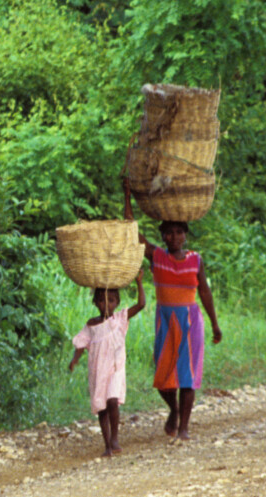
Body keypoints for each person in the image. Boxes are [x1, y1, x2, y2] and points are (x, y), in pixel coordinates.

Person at [125, 185, 222, 439]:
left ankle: (184, 428)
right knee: (163, 376)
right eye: (169, 232)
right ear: (164, 236)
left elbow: (205, 293)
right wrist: (127, 197)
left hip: (191, 321)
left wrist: (215, 324)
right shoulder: (157, 256)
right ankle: (174, 409)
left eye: (179, 232)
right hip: (166, 322)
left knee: (187, 376)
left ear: (185, 236)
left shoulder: (196, 260)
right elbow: (131, 231)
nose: (175, 236)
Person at [68, 268, 146, 456]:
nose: (106, 305)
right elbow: (81, 343)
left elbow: (141, 304)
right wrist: (75, 360)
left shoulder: (120, 319)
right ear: (95, 302)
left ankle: (115, 438)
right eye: (101, 301)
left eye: (110, 301)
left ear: (117, 302)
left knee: (112, 400)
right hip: (98, 371)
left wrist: (139, 282)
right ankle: (107, 446)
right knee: (102, 407)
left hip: (116, 368)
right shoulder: (91, 324)